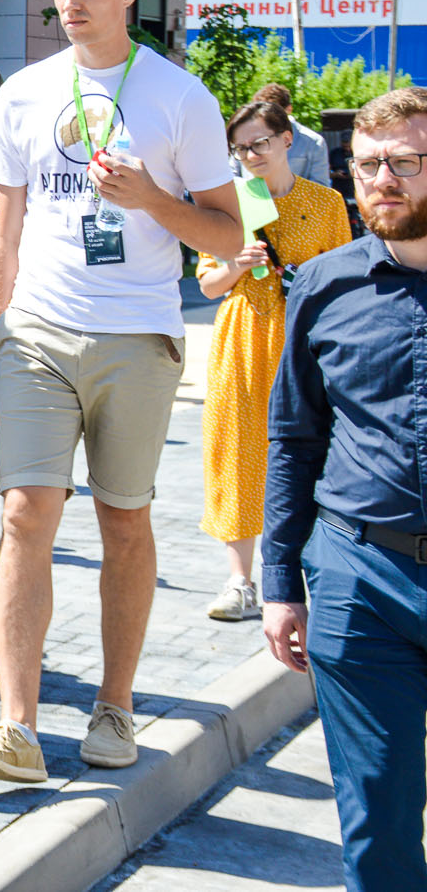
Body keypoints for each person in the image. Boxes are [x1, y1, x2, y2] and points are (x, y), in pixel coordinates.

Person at [0, 0, 243, 782]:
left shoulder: (179, 98)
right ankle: (18, 729)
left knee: (123, 520)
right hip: (37, 329)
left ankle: (115, 707)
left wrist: (152, 198)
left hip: (139, 335)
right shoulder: (29, 96)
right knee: (24, 514)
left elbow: (227, 230)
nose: (69, 5)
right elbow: (8, 225)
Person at [263, 87, 427, 892]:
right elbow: (294, 440)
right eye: (367, 165)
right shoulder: (322, 286)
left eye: (404, 162)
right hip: (361, 583)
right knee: (378, 821)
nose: (382, 181)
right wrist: (279, 585)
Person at [196, 100, 349, 622]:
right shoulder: (232, 202)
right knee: (236, 449)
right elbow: (209, 284)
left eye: (260, 142)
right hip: (243, 337)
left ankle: (307, 568)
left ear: (288, 140)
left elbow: (343, 281)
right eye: (240, 148)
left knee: (308, 448)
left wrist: (301, 274)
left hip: (303, 341)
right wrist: (237, 265)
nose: (251, 154)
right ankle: (240, 580)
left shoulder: (326, 203)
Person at [250, 82, 332, 187]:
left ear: (289, 109)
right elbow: (232, 177)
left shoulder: (313, 142)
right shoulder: (245, 140)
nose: (266, 119)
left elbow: (321, 188)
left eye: (273, 113)